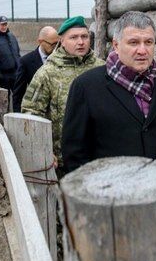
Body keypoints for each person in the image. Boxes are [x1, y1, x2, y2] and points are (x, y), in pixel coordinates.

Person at [60, 10, 156, 219]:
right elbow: (74, 153)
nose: (142, 50)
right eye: (133, 42)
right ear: (116, 45)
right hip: (113, 210)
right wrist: (94, 207)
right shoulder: (87, 86)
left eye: (148, 42)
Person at [22, 16, 104, 170]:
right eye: (73, 37)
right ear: (62, 41)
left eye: (84, 36)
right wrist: (44, 150)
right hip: (63, 161)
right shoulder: (47, 73)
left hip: (99, 156)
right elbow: (31, 112)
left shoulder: (102, 69)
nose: (80, 42)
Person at [12, 25, 59, 112]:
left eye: (57, 43)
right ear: (40, 42)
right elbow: (18, 94)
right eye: (52, 44)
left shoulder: (60, 58)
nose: (55, 47)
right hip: (37, 112)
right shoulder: (26, 61)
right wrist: (18, 116)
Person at [0, 15, 22, 94]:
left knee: (18, 97)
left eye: (5, 24)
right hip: (3, 75)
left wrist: (20, 68)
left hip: (15, 73)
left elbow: (17, 53)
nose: (4, 27)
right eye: (2, 25)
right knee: (4, 99)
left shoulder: (11, 36)